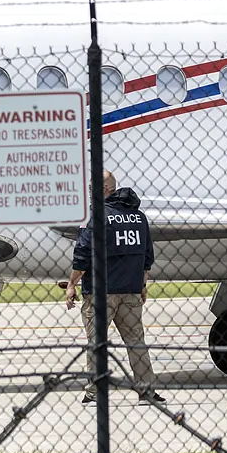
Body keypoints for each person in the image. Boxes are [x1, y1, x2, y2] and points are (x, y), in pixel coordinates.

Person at [65, 170, 164, 405]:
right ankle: (146, 391)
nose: (89, 194)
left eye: (92, 189)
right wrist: (142, 284)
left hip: (101, 293)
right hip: (130, 291)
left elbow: (82, 255)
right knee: (136, 342)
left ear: (104, 190)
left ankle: (95, 391)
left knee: (96, 343)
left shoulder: (98, 217)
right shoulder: (138, 218)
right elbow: (147, 255)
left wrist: (71, 285)